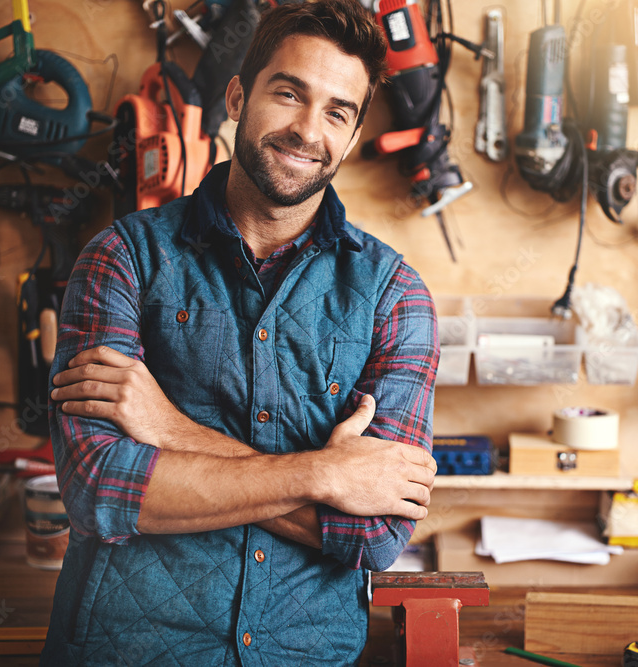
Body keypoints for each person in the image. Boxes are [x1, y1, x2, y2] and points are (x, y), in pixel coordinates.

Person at [39, 1, 439, 665]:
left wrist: (168, 431)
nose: (308, 129)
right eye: (289, 93)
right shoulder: (122, 259)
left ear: (352, 132)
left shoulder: (395, 297)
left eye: (338, 112)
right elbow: (99, 488)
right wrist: (327, 474)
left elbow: (374, 533)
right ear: (237, 96)